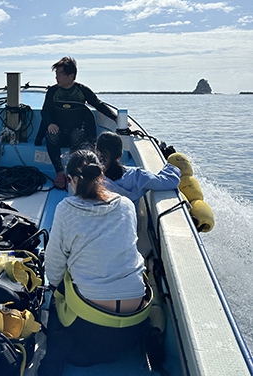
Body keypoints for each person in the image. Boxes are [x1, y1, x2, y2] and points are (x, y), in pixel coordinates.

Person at [39, 150, 151, 375]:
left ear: (71, 180)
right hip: (136, 317)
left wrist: (56, 286)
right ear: (101, 176)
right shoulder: (127, 204)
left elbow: (53, 269)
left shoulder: (65, 210)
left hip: (90, 323)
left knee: (56, 296)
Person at [35, 56, 117, 189]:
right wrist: (50, 123)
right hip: (58, 133)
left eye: (60, 74)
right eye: (56, 74)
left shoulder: (82, 90)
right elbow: (45, 112)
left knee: (78, 135)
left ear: (71, 75)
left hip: (75, 135)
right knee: (51, 134)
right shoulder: (53, 91)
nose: (57, 78)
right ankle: (60, 173)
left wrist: (115, 117)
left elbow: (98, 104)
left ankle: (72, 174)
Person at [96, 131, 180, 206]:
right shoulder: (136, 176)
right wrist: (170, 165)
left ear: (96, 153)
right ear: (120, 155)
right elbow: (169, 182)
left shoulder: (90, 177)